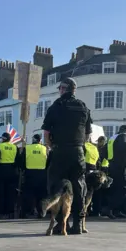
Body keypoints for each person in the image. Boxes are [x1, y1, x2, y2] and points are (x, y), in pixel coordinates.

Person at [41, 77, 92, 234]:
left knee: (57, 186)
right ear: (74, 90)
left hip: (60, 151)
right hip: (77, 152)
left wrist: (52, 147)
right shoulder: (83, 107)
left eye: (60, 88)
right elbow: (88, 134)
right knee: (78, 187)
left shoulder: (56, 106)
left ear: (63, 89)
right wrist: (79, 146)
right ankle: (78, 223)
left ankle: (60, 223)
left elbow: (46, 133)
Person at [18, 134, 47, 218]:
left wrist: (23, 169)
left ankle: (26, 212)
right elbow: (48, 161)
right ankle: (41, 212)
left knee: (28, 194)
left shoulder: (27, 148)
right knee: (41, 195)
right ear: (40, 140)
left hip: (29, 174)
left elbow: (21, 161)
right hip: (42, 174)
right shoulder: (45, 149)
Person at [0, 132, 18, 219]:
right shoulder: (15, 147)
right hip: (12, 171)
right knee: (10, 193)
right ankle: (10, 212)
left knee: (0, 193)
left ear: (4, 139)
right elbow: (17, 161)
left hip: (1, 171)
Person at [107, 125, 126, 219]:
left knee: (115, 188)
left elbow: (104, 152)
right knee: (124, 189)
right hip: (120, 166)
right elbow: (125, 147)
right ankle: (110, 208)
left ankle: (116, 211)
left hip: (112, 166)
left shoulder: (112, 138)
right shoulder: (123, 136)